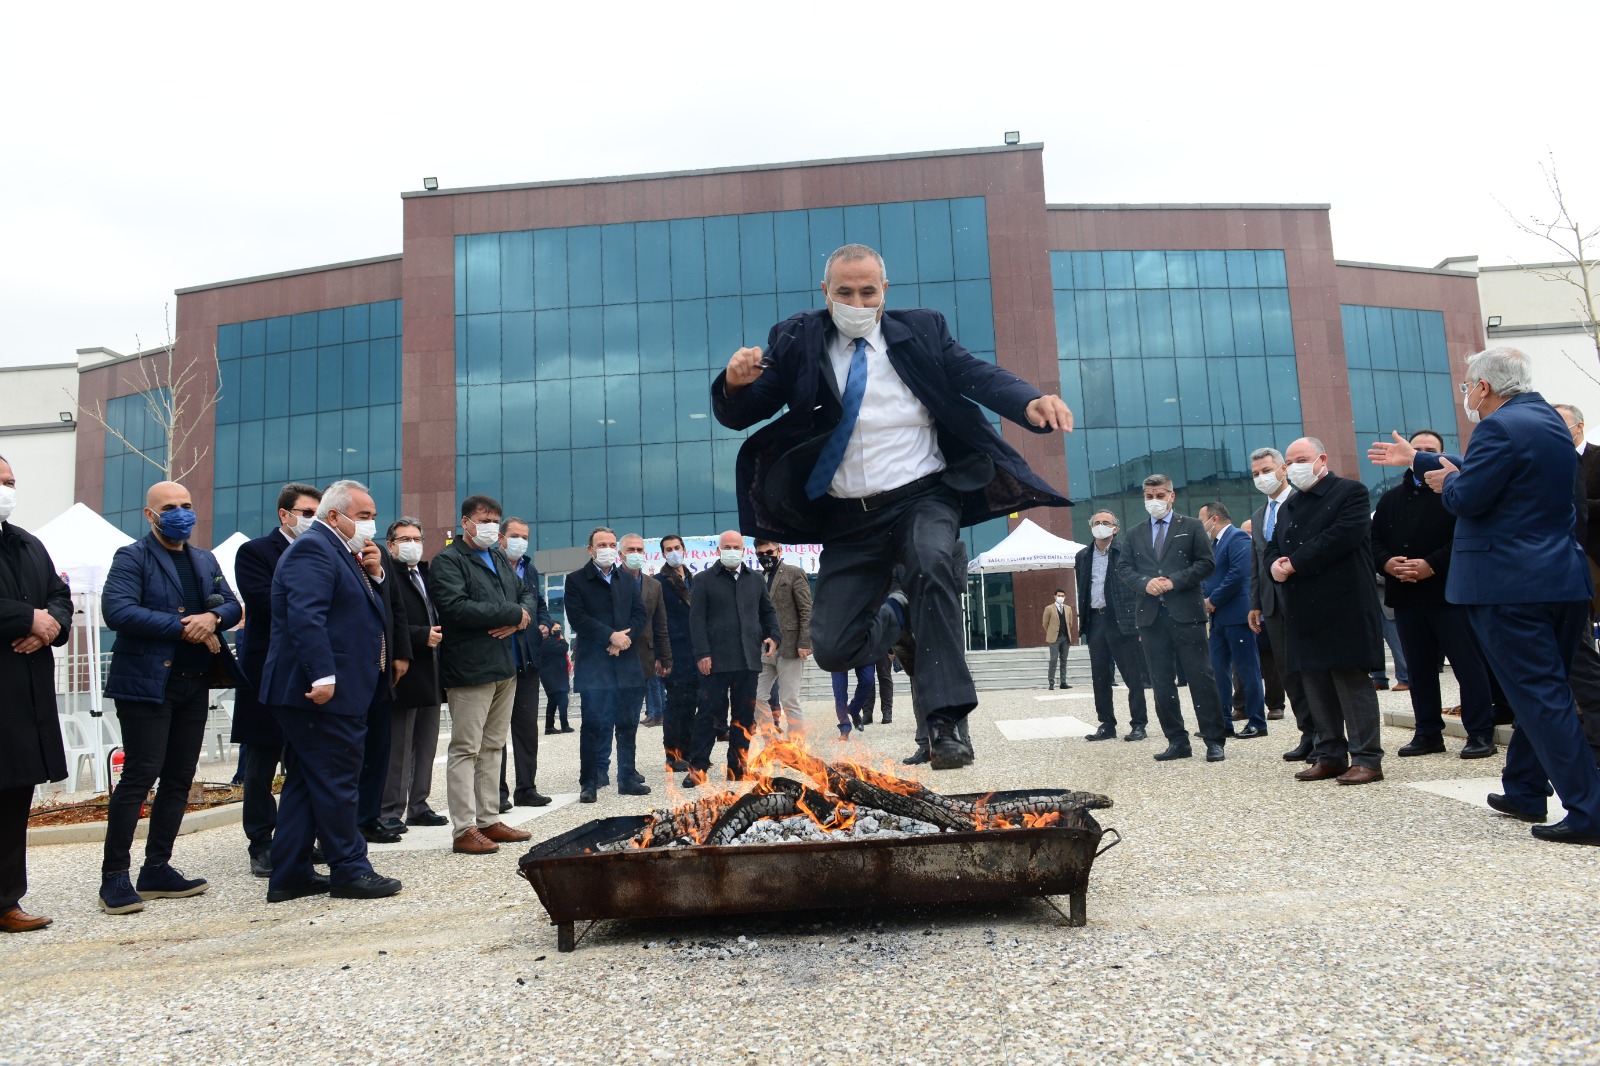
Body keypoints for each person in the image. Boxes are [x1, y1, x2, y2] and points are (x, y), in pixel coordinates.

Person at [711, 243, 1072, 770]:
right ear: (824, 293)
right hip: (848, 518)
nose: (856, 301)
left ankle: (946, 723)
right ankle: (899, 614)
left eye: (867, 291)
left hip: (923, 495)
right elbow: (746, 411)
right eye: (844, 292)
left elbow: (976, 374)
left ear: (885, 292)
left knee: (930, 564)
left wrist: (1027, 401)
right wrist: (733, 385)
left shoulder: (922, 330)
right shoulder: (796, 339)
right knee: (834, 646)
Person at [1372, 348, 1600, 843]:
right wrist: (1424, 459)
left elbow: (1467, 496)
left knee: (1541, 698)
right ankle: (1523, 787)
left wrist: (1448, 481)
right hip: (1560, 578)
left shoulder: (1496, 427)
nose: (1467, 395)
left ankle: (1589, 810)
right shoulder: (1548, 421)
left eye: (1467, 386)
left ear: (1483, 387)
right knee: (1541, 688)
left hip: (1510, 585)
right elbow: (1505, 477)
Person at [98, 480, 245, 914]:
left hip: (193, 681)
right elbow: (118, 611)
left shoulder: (204, 558)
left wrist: (213, 616)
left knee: (180, 777)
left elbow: (233, 606)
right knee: (140, 776)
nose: (180, 512)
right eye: (170, 506)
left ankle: (156, 868)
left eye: (186, 504)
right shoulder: (132, 557)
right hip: (146, 684)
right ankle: (115, 877)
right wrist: (184, 626)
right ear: (150, 515)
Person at [258, 479, 401, 902]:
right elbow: (306, 616)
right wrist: (322, 676)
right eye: (363, 516)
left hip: (331, 690)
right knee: (340, 780)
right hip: (319, 692)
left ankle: (290, 874)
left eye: (374, 516)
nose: (371, 524)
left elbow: (357, 614)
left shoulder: (344, 552)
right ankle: (350, 869)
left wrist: (375, 576)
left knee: (307, 781)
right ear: (334, 515)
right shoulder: (314, 548)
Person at [1370, 430, 1498, 760]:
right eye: (1419, 450)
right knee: (1420, 671)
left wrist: (1432, 564)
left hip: (1451, 596)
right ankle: (1428, 732)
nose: (1424, 455)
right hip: (1407, 598)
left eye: (1432, 451)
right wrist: (1387, 563)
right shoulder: (1389, 499)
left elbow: (1466, 539)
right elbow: (1373, 541)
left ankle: (1480, 732)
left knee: (1468, 667)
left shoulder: (1457, 496)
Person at [1266, 438, 1385, 785]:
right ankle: (1330, 753)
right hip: (1302, 607)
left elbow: (1342, 535)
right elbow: (1274, 543)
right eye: (1289, 462)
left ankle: (1367, 758)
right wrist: (1275, 564)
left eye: (1301, 459)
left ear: (1322, 458)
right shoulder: (1289, 505)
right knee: (1314, 683)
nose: (1294, 467)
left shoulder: (1350, 492)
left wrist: (1295, 563)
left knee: (1350, 682)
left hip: (1343, 603)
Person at [429, 495, 537, 854]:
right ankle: (464, 828)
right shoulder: (448, 561)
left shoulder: (500, 559)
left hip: (504, 665)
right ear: (465, 522)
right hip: (470, 668)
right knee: (466, 748)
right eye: (484, 519)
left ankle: (489, 819)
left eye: (496, 519)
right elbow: (456, 607)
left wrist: (520, 616)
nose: (491, 525)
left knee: (493, 746)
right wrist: (510, 612)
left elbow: (526, 594)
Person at [230, 482, 320, 878]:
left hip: (308, 670)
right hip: (266, 670)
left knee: (304, 757)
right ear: (284, 514)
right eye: (306, 512)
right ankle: (261, 842)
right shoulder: (255, 552)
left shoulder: (322, 550)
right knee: (262, 761)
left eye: (318, 512)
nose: (312, 520)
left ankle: (297, 836)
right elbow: (267, 603)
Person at [0, 455, 72, 932]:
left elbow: (59, 597)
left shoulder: (27, 543)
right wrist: (26, 618)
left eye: (9, 481)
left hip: (24, 699)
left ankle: (7, 900)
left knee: (12, 802)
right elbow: (31, 608)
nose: (7, 489)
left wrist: (50, 625)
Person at [1114, 474, 1227, 763]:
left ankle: (1214, 739)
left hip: (1186, 615)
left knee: (1201, 678)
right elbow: (1124, 568)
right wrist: (1144, 583)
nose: (1155, 501)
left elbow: (1206, 563)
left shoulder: (1191, 527)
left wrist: (1174, 581)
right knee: (1161, 683)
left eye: (1160, 495)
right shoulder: (1135, 532)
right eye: (1149, 496)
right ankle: (1177, 740)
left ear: (1172, 496)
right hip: (1151, 619)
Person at [686, 531, 780, 784]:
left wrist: (774, 636)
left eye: (736, 546)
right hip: (714, 662)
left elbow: (767, 612)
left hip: (748, 659)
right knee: (708, 715)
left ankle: (738, 766)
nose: (731, 550)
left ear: (743, 550)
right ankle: (698, 767)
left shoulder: (755, 580)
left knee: (744, 717)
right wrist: (702, 653)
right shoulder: (704, 580)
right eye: (726, 546)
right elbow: (696, 621)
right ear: (718, 550)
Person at [564, 527, 648, 803]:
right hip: (594, 667)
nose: (608, 548)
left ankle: (627, 779)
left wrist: (624, 638)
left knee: (627, 725)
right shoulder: (576, 580)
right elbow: (577, 618)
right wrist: (608, 636)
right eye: (602, 544)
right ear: (590, 549)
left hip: (626, 664)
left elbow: (639, 614)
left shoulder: (626, 578)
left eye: (612, 544)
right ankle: (589, 782)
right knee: (592, 726)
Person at [1246, 447, 1315, 761]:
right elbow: (1257, 562)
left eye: (1266, 470)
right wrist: (1256, 602)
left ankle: (1328, 735)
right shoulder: (1259, 514)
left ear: (1283, 468)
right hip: (1272, 606)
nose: (1262, 477)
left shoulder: (1303, 502)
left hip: (1305, 599)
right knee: (1288, 673)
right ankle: (1308, 734)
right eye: (1256, 473)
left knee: (1313, 671)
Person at [380, 518, 448, 833]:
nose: (412, 543)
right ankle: (390, 810)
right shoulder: (385, 574)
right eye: (405, 538)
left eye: (417, 537)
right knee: (399, 746)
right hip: (405, 669)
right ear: (390, 544)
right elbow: (386, 622)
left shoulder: (425, 572)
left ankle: (419, 805)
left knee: (426, 743)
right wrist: (421, 635)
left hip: (432, 671)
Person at [354, 536, 412, 845]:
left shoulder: (378, 556)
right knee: (350, 752)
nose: (368, 522)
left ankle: (369, 817)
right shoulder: (327, 552)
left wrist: (401, 653)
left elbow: (395, 607)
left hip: (382, 669)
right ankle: (344, 823)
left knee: (379, 749)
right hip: (349, 670)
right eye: (362, 514)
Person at [1075, 510, 1148, 742]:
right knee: (1100, 676)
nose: (1101, 526)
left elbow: (1137, 588)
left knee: (1132, 676)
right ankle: (1107, 724)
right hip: (1095, 620)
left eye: (1106, 522)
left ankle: (1138, 724)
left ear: (1115, 528)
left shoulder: (1126, 552)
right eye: (1096, 522)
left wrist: (1139, 623)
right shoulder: (1083, 556)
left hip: (1122, 621)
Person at [497, 518, 553, 811]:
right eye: (514, 535)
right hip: (501, 659)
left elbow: (539, 603)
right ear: (500, 537)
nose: (520, 541)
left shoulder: (529, 568)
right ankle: (498, 793)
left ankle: (526, 788)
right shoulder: (491, 565)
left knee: (527, 730)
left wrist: (544, 623)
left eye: (525, 536)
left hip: (529, 661)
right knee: (496, 733)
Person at [1201, 502, 1265, 739]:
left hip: (1237, 616)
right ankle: (1223, 722)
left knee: (1248, 670)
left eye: (1202, 520)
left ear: (1214, 519)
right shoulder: (1215, 544)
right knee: (1218, 672)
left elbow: (1239, 573)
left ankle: (1257, 721)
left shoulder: (1237, 538)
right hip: (1218, 620)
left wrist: (1213, 599)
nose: (1201, 525)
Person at [611, 532, 669, 794]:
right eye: (630, 549)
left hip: (645, 658)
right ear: (620, 554)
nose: (636, 553)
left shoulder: (653, 586)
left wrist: (664, 656)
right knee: (624, 719)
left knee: (633, 717)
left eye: (640, 549)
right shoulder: (611, 580)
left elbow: (660, 624)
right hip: (617, 657)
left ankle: (629, 768)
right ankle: (617, 773)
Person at [753, 538, 812, 738]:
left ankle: (796, 746)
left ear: (779, 551)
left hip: (790, 646)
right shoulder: (757, 578)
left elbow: (806, 609)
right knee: (756, 696)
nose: (765, 557)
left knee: (789, 699)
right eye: (761, 554)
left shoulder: (794, 573)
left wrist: (805, 641)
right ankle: (771, 744)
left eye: (769, 552)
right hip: (763, 648)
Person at [654, 534, 697, 770]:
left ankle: (687, 751)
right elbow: (656, 621)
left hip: (695, 650)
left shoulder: (693, 579)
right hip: (673, 651)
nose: (673, 552)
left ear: (684, 549)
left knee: (692, 703)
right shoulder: (658, 582)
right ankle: (672, 754)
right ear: (662, 554)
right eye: (668, 549)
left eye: (676, 547)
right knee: (676, 704)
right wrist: (660, 656)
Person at [1556, 403, 1600, 617]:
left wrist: (1575, 503)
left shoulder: (1597, 457)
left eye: (1560, 422)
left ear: (1579, 426)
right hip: (1562, 556)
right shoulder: (1551, 462)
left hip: (1594, 552)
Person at [540, 624, 572, 734]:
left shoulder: (552, 641)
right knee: (562, 699)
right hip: (553, 677)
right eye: (556, 629)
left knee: (552, 701)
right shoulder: (549, 642)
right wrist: (563, 639)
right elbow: (563, 649)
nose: (559, 631)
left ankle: (549, 727)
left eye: (559, 629)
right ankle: (565, 725)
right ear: (550, 630)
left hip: (555, 676)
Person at [1042, 588, 1075, 690]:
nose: (1060, 597)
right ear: (1054, 596)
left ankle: (1063, 682)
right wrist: (1051, 632)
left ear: (1065, 597)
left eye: (1062, 596)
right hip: (1054, 638)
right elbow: (1045, 623)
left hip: (1065, 638)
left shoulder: (1068, 608)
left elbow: (1070, 623)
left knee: (1064, 660)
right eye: (1059, 595)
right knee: (1053, 660)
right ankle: (1051, 683)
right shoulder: (1049, 608)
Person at [831, 665, 875, 739]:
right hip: (837, 655)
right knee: (839, 690)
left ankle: (853, 710)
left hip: (862, 654)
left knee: (868, 680)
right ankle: (845, 726)